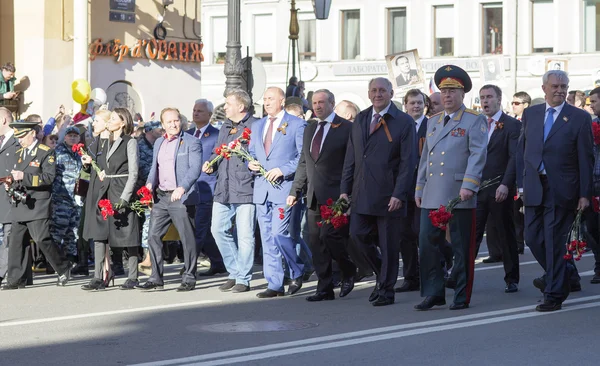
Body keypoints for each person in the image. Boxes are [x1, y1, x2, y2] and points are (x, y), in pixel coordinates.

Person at [517, 69, 593, 312]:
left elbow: (586, 157)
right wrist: (519, 184)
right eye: (556, 86)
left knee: (552, 240)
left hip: (562, 188)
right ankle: (565, 272)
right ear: (544, 89)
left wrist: (584, 193)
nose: (560, 90)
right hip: (533, 185)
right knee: (531, 237)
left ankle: (554, 293)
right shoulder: (531, 114)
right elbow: (522, 151)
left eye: (564, 86)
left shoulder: (579, 117)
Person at [415, 65, 487, 311]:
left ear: (462, 94)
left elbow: (478, 155)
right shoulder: (433, 121)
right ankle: (434, 292)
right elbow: (426, 157)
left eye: (452, 91)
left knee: (461, 246)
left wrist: (470, 185)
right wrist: (419, 188)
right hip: (433, 192)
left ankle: (461, 295)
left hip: (459, 193)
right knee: (427, 244)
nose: (447, 96)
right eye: (444, 91)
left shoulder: (473, 120)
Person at [341, 77, 417, 307]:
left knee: (389, 245)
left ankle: (386, 290)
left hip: (389, 195)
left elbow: (408, 162)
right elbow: (351, 158)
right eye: (373, 90)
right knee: (357, 236)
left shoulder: (403, 121)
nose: (377, 94)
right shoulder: (362, 118)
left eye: (382, 90)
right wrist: (344, 190)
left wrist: (399, 194)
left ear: (391, 93)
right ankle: (381, 273)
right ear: (368, 93)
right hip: (362, 192)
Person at [288, 89, 356, 301]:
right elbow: (303, 162)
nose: (316, 106)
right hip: (314, 195)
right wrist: (295, 191)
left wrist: (348, 192)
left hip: (336, 195)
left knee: (331, 237)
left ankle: (348, 269)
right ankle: (324, 288)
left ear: (331, 103)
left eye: (321, 102)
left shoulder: (347, 128)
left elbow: (351, 163)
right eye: (314, 103)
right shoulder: (310, 129)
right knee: (316, 243)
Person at [248, 87, 306, 298]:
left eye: (271, 99)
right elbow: (253, 152)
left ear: (282, 101)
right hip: (262, 189)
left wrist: (283, 170)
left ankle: (297, 269)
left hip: (284, 190)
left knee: (279, 234)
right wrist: (251, 163)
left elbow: (302, 157)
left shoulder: (296, 124)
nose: (266, 102)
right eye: (264, 99)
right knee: (266, 238)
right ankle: (274, 283)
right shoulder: (258, 125)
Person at [136, 108, 202, 292]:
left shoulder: (191, 142)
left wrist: (183, 187)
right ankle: (156, 278)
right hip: (162, 197)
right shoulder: (159, 142)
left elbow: (195, 168)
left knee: (186, 237)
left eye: (176, 120)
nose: (174, 124)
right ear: (163, 124)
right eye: (170, 122)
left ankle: (189, 276)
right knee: (154, 236)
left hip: (181, 196)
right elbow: (154, 168)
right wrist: (149, 184)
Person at [1, 121, 72, 289]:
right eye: (17, 137)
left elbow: (48, 178)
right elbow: (16, 176)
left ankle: (63, 267)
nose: (19, 140)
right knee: (17, 242)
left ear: (32, 134)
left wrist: (22, 176)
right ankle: (16, 279)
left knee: (42, 239)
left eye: (22, 136)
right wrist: (10, 183)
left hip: (37, 203)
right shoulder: (19, 152)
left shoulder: (45, 153)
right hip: (20, 203)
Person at [203, 89, 258, 293]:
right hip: (223, 187)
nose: (224, 107)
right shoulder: (225, 126)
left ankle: (243, 277)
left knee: (245, 236)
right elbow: (217, 152)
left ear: (241, 107)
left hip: (245, 187)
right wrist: (211, 163)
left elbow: (258, 154)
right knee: (217, 229)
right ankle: (234, 271)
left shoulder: (255, 125)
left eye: (228, 103)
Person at [81, 108, 140, 290]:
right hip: (105, 190)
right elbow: (100, 164)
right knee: (100, 234)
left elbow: (134, 172)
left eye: (113, 118)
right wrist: (88, 164)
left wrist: (125, 196)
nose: (109, 121)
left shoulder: (130, 142)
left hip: (121, 189)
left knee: (127, 234)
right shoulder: (104, 141)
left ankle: (133, 276)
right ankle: (98, 277)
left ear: (122, 123)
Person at [475, 84, 521, 293]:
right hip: (477, 188)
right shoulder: (476, 123)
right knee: (472, 234)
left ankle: (511, 278)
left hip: (499, 188)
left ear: (499, 99)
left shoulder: (511, 125)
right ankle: (461, 276)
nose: (485, 101)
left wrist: (506, 184)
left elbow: (514, 158)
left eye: (489, 97)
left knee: (505, 233)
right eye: (482, 97)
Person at [395, 89, 429, 293]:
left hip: (425, 187)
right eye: (412, 103)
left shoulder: (432, 125)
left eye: (419, 103)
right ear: (405, 105)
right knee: (404, 234)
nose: (415, 106)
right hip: (403, 188)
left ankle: (433, 271)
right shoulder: (400, 126)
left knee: (423, 233)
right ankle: (410, 277)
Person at [187, 99, 225, 276]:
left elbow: (217, 159)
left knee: (200, 230)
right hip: (187, 190)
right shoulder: (186, 134)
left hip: (206, 189)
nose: (195, 113)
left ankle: (189, 267)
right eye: (194, 110)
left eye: (200, 111)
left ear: (209, 115)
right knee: (195, 229)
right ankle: (218, 261)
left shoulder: (216, 135)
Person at [50, 126, 83, 267]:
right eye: (70, 135)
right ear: (65, 137)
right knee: (58, 232)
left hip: (77, 199)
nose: (73, 138)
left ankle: (71, 262)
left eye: (75, 135)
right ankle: (53, 263)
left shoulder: (81, 153)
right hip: (61, 199)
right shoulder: (57, 152)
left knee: (73, 233)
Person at [136, 120, 163, 275]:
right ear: (149, 130)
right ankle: (148, 257)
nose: (161, 131)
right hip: (144, 192)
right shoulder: (139, 146)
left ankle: (152, 257)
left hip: (160, 190)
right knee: (148, 223)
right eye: (158, 129)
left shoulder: (160, 144)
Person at [0, 107, 21, 286]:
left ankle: (4, 273)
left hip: (10, 194)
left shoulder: (18, 141)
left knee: (9, 236)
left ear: (3, 121)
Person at [587, 87, 600, 284]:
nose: (591, 106)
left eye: (594, 102)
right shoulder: (591, 124)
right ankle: (599, 265)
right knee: (592, 228)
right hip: (592, 183)